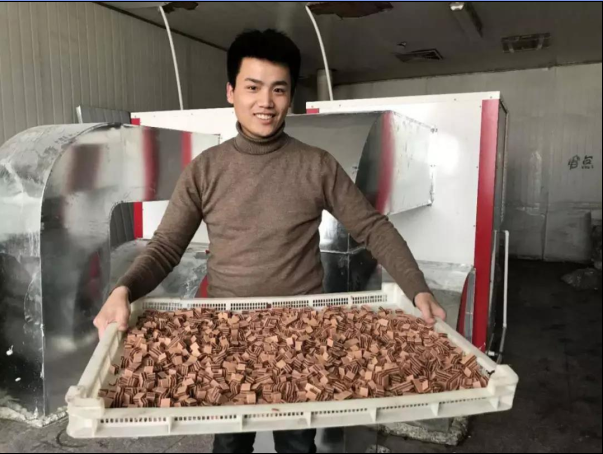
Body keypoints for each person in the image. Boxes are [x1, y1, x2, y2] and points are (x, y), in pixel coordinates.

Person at [94, 29, 446, 454]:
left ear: (290, 97)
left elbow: (372, 227)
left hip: (301, 329)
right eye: (253, 87)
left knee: (297, 443)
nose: (266, 101)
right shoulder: (205, 170)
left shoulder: (316, 165)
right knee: (230, 443)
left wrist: (417, 288)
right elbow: (167, 246)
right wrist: (123, 290)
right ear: (231, 92)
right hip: (228, 331)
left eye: (278, 89)